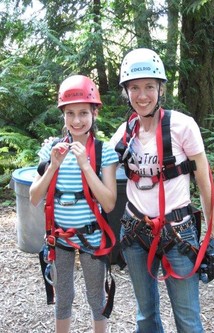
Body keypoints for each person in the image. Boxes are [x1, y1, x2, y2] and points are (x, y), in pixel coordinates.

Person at [110, 48, 214, 333]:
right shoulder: (124, 133)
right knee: (145, 316)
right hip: (135, 232)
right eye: (134, 88)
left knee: (188, 320)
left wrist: (211, 235)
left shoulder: (183, 126)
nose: (142, 95)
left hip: (177, 232)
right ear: (126, 92)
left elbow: (205, 183)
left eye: (149, 87)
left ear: (160, 89)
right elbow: (95, 166)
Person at [30, 75, 119, 333]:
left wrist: (85, 166)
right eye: (70, 113)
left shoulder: (104, 152)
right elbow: (35, 197)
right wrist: (53, 166)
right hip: (58, 237)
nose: (77, 120)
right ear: (63, 116)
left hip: (91, 236)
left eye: (83, 113)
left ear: (94, 113)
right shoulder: (51, 150)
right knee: (63, 298)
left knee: (96, 298)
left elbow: (109, 203)